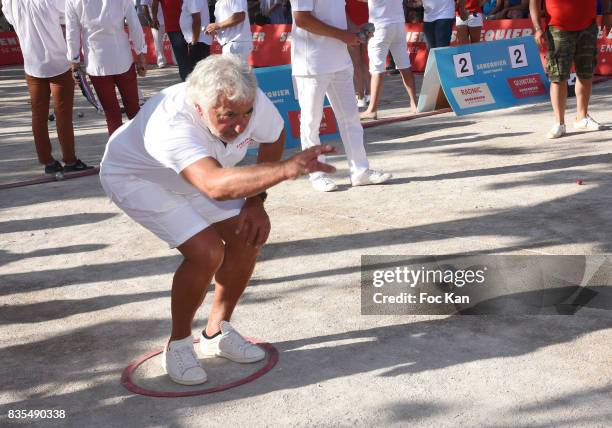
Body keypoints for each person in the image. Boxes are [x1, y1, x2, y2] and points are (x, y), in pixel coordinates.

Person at [99, 55, 335, 385]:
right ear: (199, 107)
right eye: (228, 117)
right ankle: (179, 344)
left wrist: (256, 202)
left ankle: (216, 334)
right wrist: (284, 170)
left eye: (246, 114)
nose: (241, 124)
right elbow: (213, 186)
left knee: (248, 234)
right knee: (207, 251)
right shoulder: (171, 122)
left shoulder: (244, 96)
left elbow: (274, 135)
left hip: (204, 171)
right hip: (138, 178)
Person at [290, 0, 391, 192]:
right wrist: (343, 35)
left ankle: (360, 171)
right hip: (311, 62)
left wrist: (355, 30)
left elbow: (338, 11)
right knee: (311, 121)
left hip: (340, 60)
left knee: (351, 119)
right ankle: (316, 173)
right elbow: (302, 19)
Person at [3, 0, 91, 174]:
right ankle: (70, 160)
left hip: (32, 63)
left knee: (38, 115)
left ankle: (47, 161)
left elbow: (11, 20)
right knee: (63, 114)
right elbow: (72, 13)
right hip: (58, 62)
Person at [529, 0, 611, 139]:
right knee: (558, 75)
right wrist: (537, 28)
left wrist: (607, 14)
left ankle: (582, 117)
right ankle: (559, 123)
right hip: (558, 28)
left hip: (588, 26)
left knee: (586, 72)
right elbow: (534, 2)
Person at [66, 0, 147, 136]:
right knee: (134, 109)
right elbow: (134, 24)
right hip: (122, 58)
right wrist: (141, 54)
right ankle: (142, 149)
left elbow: (72, 32)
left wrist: (74, 61)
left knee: (112, 114)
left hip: (96, 61)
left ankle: (117, 154)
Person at [359, 0, 418, 120]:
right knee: (404, 65)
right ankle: (414, 103)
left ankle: (372, 109)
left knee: (377, 69)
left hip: (380, 25)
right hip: (398, 24)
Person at [153, 0, 191, 81]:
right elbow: (154, 4)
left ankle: (192, 82)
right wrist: (154, 18)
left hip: (189, 25)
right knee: (182, 59)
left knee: (192, 57)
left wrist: (154, 18)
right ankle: (187, 83)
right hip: (174, 27)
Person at [346, 0, 371, 109]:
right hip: (367, 24)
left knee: (356, 64)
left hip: (352, 26)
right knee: (364, 61)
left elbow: (342, 11)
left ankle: (360, 98)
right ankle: (370, 94)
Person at [180, 0, 213, 69]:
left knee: (198, 72)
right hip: (198, 40)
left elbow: (197, 20)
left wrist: (194, 42)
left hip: (198, 41)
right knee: (199, 71)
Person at [142, 0, 168, 68]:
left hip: (169, 19)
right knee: (158, 43)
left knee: (174, 40)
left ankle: (176, 60)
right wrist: (150, 21)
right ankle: (161, 61)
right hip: (156, 21)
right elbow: (144, 7)